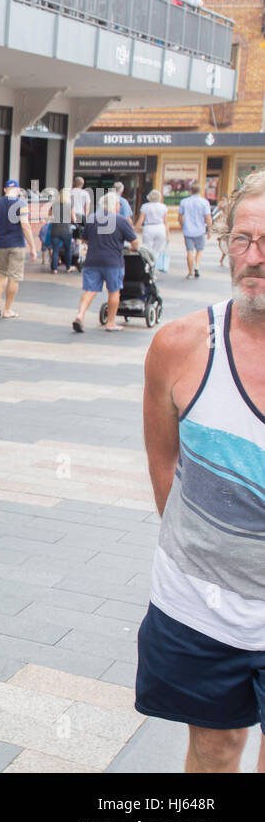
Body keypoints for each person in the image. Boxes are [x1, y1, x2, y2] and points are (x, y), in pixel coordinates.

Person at [136, 170, 265, 773]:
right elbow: (164, 459)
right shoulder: (180, 345)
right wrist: (199, 548)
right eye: (242, 239)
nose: (254, 257)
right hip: (198, 605)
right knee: (214, 748)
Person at [71, 192, 139, 333]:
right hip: (113, 261)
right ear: (114, 205)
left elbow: (84, 240)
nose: (119, 206)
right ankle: (111, 323)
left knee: (90, 290)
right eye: (119, 204)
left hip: (92, 260)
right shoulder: (121, 221)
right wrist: (133, 248)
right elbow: (135, 242)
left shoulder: (92, 218)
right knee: (114, 291)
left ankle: (80, 315)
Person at [0, 179, 38, 317]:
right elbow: (25, 225)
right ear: (17, 190)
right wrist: (33, 247)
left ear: (5, 190)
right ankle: (8, 310)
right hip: (16, 244)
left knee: (2, 273)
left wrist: (0, 220)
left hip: (0, 243)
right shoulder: (21, 203)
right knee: (14, 277)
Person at [179, 182, 212, 279]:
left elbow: (180, 216)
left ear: (191, 191)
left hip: (187, 230)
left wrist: (182, 225)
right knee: (200, 250)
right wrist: (209, 229)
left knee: (189, 251)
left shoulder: (184, 202)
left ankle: (190, 272)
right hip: (200, 230)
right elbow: (208, 217)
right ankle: (197, 266)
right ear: (200, 191)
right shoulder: (204, 202)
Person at [139, 189, 169, 271]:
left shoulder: (145, 206)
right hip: (160, 228)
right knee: (157, 250)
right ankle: (153, 267)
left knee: (147, 249)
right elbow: (166, 221)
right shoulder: (163, 207)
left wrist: (135, 229)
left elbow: (141, 219)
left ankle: (148, 266)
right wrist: (168, 234)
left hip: (148, 228)